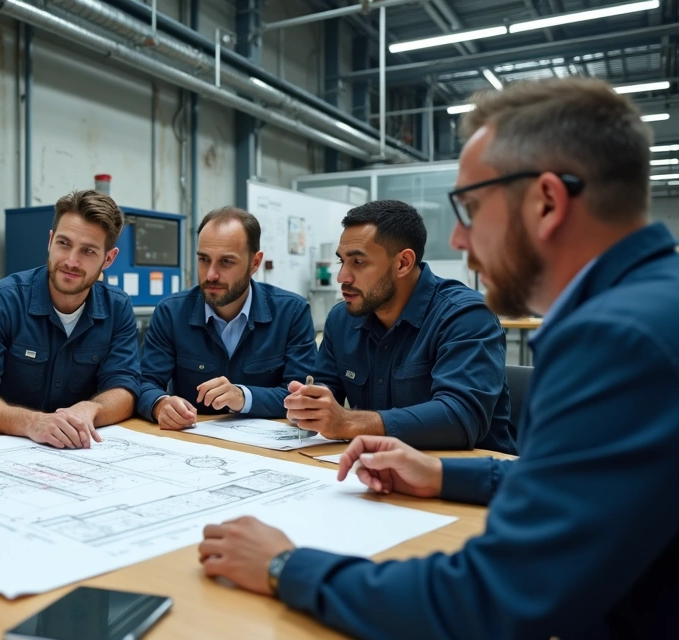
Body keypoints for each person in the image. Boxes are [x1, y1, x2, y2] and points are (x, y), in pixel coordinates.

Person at [199, 77, 679, 637]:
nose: (457, 240)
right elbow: (573, 487)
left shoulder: (618, 340)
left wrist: (286, 565)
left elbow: (491, 599)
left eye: (471, 208)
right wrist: (441, 473)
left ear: (547, 201)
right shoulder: (648, 309)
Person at [285, 199, 515, 453]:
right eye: (342, 261)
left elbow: (461, 417)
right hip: (378, 470)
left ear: (403, 263)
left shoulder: (466, 315)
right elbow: (326, 387)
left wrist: (347, 421)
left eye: (358, 262)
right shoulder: (343, 319)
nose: (342, 277)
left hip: (468, 478)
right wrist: (309, 406)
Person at [0, 189, 141, 449]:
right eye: (64, 243)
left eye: (88, 251)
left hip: (79, 453)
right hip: (0, 448)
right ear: (50, 241)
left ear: (109, 258)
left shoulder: (118, 308)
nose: (71, 261)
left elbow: (124, 388)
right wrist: (31, 422)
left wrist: (92, 409)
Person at [137, 206, 316, 427]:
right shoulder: (171, 312)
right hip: (192, 444)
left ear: (255, 262)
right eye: (204, 259)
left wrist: (243, 397)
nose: (211, 274)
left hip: (268, 451)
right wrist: (160, 403)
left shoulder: (291, 313)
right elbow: (144, 383)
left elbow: (302, 398)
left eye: (226, 262)